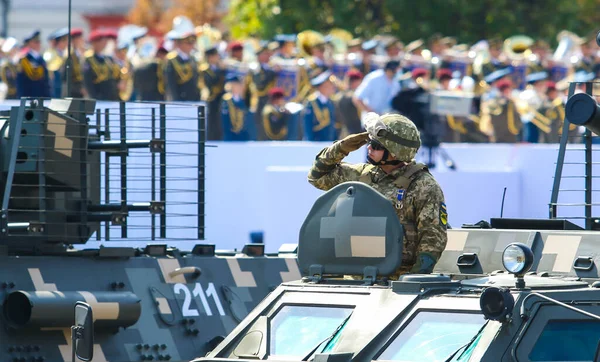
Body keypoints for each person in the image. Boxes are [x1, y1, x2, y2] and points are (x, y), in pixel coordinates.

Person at [307, 112, 448, 276]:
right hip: (355, 276)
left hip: (395, 282)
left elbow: (432, 240)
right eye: (370, 142)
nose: (369, 148)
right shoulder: (360, 174)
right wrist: (342, 147)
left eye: (376, 145)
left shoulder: (423, 185)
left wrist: (410, 283)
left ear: (395, 152)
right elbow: (317, 177)